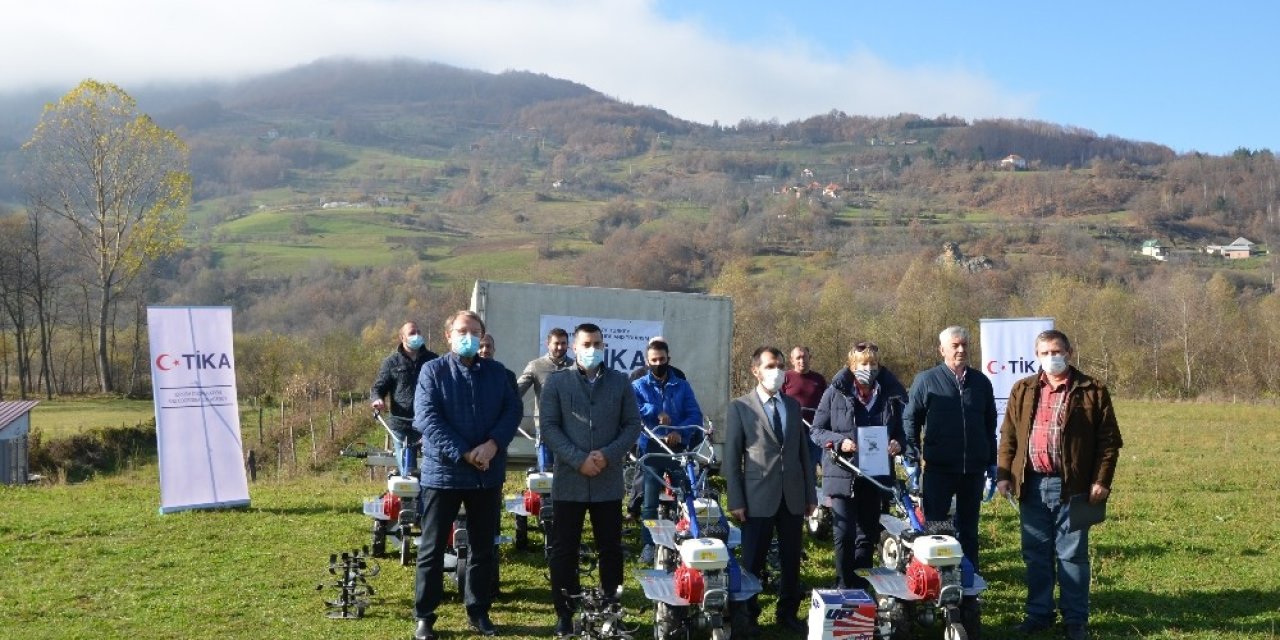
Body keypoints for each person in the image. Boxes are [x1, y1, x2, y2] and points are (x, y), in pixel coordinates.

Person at [996, 330, 1123, 640]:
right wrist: (1004, 475)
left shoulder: (1092, 389)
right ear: (1036, 356)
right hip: (1032, 485)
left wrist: (1101, 481)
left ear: (1069, 352)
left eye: (1056, 351)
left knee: (1073, 555)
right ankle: (1038, 614)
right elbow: (1009, 436)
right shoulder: (1023, 389)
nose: (1051, 357)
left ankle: (1075, 619)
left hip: (1075, 487)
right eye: (1044, 353)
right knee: (1036, 555)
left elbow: (1109, 442)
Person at [411, 310, 521, 639]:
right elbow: (426, 418)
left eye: (475, 331)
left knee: (483, 547)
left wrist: (491, 445)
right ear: (448, 336)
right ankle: (425, 616)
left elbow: (512, 410)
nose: (469, 337)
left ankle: (478, 610)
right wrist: (463, 451)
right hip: (443, 473)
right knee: (431, 548)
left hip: (486, 475)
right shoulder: (432, 370)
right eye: (462, 331)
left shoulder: (498, 373)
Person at [539, 323, 644, 638]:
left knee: (610, 548)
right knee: (563, 550)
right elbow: (550, 428)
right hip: (570, 480)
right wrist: (578, 459)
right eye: (586, 344)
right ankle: (565, 613)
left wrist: (607, 455)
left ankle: (611, 610)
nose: (592, 349)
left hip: (607, 480)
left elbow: (632, 425)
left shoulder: (620, 382)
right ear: (574, 347)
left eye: (598, 344)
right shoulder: (557, 383)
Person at [724, 346, 817, 635]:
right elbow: (732, 459)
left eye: (779, 365)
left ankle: (787, 612)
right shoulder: (740, 407)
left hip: (792, 497)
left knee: (791, 560)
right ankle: (748, 614)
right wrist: (736, 499)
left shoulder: (791, 405)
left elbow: (803, 454)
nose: (776, 371)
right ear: (755, 370)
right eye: (769, 366)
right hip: (756, 498)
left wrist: (810, 496)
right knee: (753, 560)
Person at [810, 341, 906, 590]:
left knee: (868, 534)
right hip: (843, 473)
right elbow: (817, 431)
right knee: (844, 534)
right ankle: (843, 584)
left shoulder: (890, 395)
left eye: (873, 363)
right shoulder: (835, 392)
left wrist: (898, 443)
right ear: (851, 366)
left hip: (875, 477)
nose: (869, 368)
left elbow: (901, 433)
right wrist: (840, 442)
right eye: (863, 363)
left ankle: (861, 585)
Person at [902, 325, 997, 572]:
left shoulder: (981, 383)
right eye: (955, 345)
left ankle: (970, 580)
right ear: (942, 349)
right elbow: (910, 419)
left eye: (965, 344)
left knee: (969, 530)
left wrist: (992, 461)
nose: (961, 349)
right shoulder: (926, 380)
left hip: (973, 470)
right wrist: (912, 455)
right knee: (936, 530)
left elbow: (990, 425)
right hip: (939, 470)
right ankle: (937, 578)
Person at [632, 339, 704, 565]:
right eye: (654, 360)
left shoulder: (682, 385)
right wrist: (656, 411)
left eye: (662, 360)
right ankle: (648, 544)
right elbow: (633, 412)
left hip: (678, 448)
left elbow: (694, 415)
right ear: (647, 361)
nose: (658, 364)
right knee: (650, 500)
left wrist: (679, 434)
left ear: (669, 360)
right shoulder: (638, 386)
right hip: (652, 447)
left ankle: (684, 538)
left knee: (684, 495)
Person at [370, 321, 439, 474]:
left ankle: (427, 495)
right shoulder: (391, 363)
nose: (417, 336)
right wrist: (377, 399)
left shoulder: (433, 361)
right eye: (412, 333)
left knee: (432, 466)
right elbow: (378, 387)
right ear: (402, 337)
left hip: (428, 423)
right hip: (401, 425)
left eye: (418, 332)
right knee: (407, 468)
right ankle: (408, 495)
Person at [782, 345, 828, 468]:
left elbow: (827, 404)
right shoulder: (785, 378)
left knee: (813, 469)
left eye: (804, 357)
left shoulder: (819, 379)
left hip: (815, 433)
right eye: (798, 358)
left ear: (810, 358)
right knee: (795, 470)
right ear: (792, 360)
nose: (802, 361)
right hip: (793, 434)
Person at [516, 327, 573, 413]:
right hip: (544, 423)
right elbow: (516, 392)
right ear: (548, 344)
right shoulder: (535, 366)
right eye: (556, 343)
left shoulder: (575, 366)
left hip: (570, 424)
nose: (560, 347)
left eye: (563, 343)